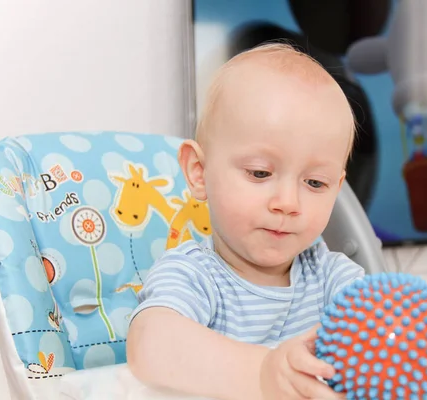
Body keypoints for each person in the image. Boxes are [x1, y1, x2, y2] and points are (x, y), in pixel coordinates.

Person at [126, 42, 365, 400]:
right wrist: (264, 372)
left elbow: (385, 336)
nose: (287, 203)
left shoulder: (332, 278)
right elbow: (150, 345)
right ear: (199, 173)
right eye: (259, 172)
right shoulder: (195, 276)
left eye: (315, 183)